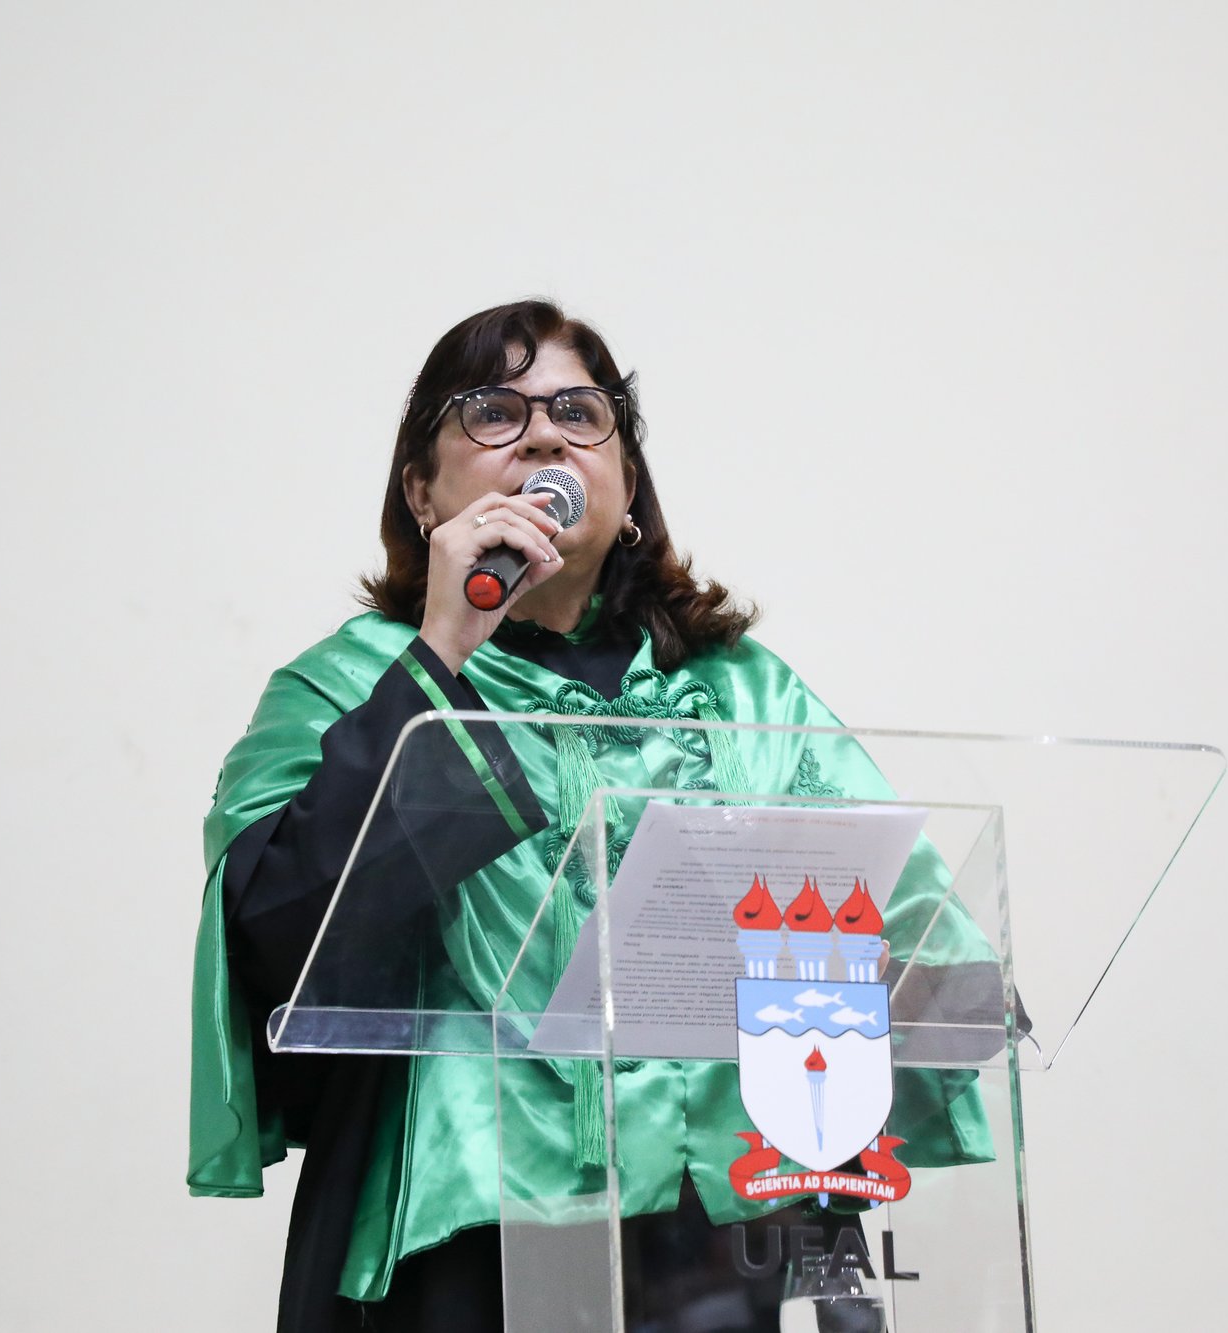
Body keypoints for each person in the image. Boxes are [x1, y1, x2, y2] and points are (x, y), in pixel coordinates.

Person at [189, 300, 999, 1332]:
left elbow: (925, 949)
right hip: (465, 1242)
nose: (543, 436)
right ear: (421, 490)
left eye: (579, 412)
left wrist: (911, 979)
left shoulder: (747, 692)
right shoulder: (344, 686)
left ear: (626, 491)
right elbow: (273, 938)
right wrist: (443, 650)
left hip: (714, 1245)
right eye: (493, 412)